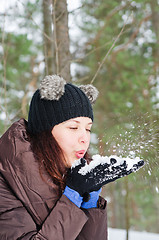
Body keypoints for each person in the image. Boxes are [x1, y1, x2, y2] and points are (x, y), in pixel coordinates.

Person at [0, 75, 144, 239]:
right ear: (45, 132)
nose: (84, 138)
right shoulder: (5, 180)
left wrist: (90, 202)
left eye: (88, 129)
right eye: (73, 127)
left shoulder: (71, 174)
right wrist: (72, 197)